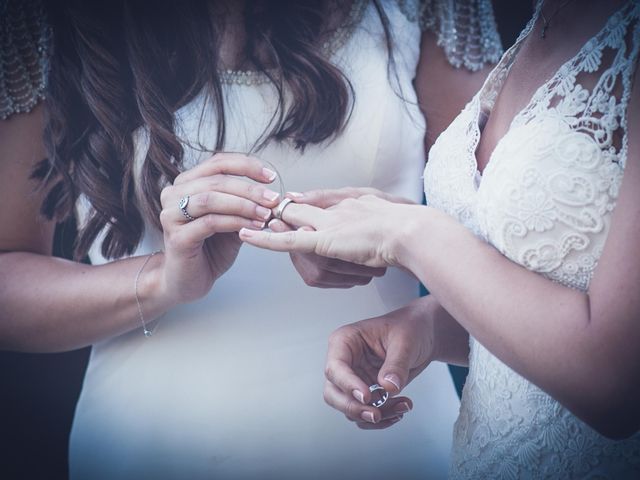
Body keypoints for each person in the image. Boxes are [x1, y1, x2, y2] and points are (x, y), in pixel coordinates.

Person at [0, 0, 503, 478]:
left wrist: (394, 238)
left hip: (390, 430)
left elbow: (513, 239)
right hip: (148, 444)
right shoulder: (42, 19)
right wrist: (163, 279)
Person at [240, 0, 640, 477]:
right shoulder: (549, 17)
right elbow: (561, 281)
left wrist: (413, 234)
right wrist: (428, 327)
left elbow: (617, 384)